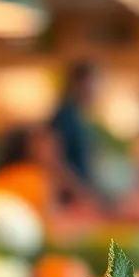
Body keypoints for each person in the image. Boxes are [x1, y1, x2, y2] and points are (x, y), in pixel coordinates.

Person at [49, 61, 101, 197]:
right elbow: (54, 161)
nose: (96, 89)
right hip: (71, 195)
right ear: (78, 84)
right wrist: (81, 192)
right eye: (93, 83)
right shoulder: (65, 117)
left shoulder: (82, 117)